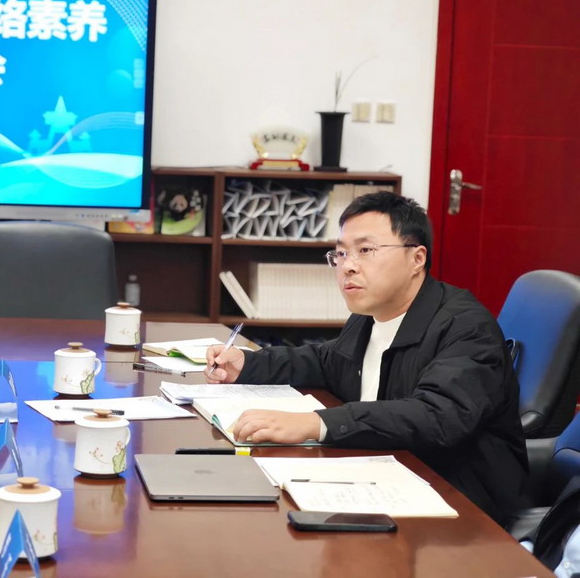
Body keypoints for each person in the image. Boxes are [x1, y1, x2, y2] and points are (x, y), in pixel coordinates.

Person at [205, 191, 529, 525]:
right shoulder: (369, 315)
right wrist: (248, 364)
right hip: (385, 476)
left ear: (417, 258)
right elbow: (325, 360)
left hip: (460, 505)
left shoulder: (465, 326)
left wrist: (316, 423)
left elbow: (436, 416)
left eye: (365, 250)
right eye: (341, 253)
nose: (348, 266)